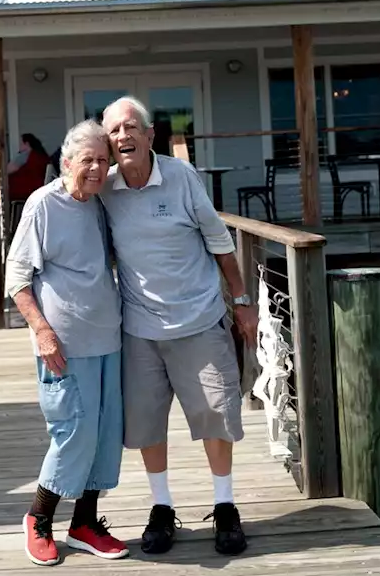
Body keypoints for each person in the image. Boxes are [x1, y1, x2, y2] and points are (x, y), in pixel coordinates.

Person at [97, 96, 257, 557]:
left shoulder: (182, 177)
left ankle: (224, 506)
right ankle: (162, 507)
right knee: (147, 423)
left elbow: (219, 242)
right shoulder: (104, 188)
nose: (123, 136)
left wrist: (242, 300)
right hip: (139, 328)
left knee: (216, 414)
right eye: (113, 131)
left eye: (131, 128)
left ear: (150, 135)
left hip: (200, 319)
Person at [5, 120, 128, 566]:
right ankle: (38, 518)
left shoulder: (99, 203)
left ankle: (85, 522)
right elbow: (16, 278)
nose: (97, 168)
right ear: (66, 162)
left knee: (106, 434)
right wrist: (41, 331)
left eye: (103, 160)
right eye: (88, 160)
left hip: (108, 340)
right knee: (74, 433)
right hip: (63, 344)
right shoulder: (43, 204)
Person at [8, 134, 53, 203]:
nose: (19, 146)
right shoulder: (42, 155)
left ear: (27, 144)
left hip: (24, 189)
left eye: (21, 144)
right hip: (39, 189)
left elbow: (8, 170)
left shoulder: (25, 156)